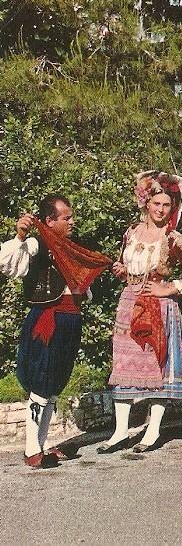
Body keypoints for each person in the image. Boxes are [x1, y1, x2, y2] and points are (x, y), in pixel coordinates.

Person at [0, 195, 110, 467]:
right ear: (49, 221)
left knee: (53, 385)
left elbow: (82, 288)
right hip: (48, 320)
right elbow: (7, 264)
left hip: (70, 319)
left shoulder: (68, 249)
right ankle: (31, 450)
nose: (72, 221)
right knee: (41, 381)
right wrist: (20, 236)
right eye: (66, 218)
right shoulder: (36, 244)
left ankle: (43, 444)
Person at [98, 171, 182, 454]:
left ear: (172, 208)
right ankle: (120, 432)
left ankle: (153, 431)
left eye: (166, 205)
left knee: (157, 368)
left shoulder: (173, 237)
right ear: (146, 203)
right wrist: (121, 273)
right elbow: (125, 266)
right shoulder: (131, 232)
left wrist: (171, 288)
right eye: (156, 204)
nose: (161, 209)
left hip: (158, 306)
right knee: (123, 367)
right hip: (129, 304)